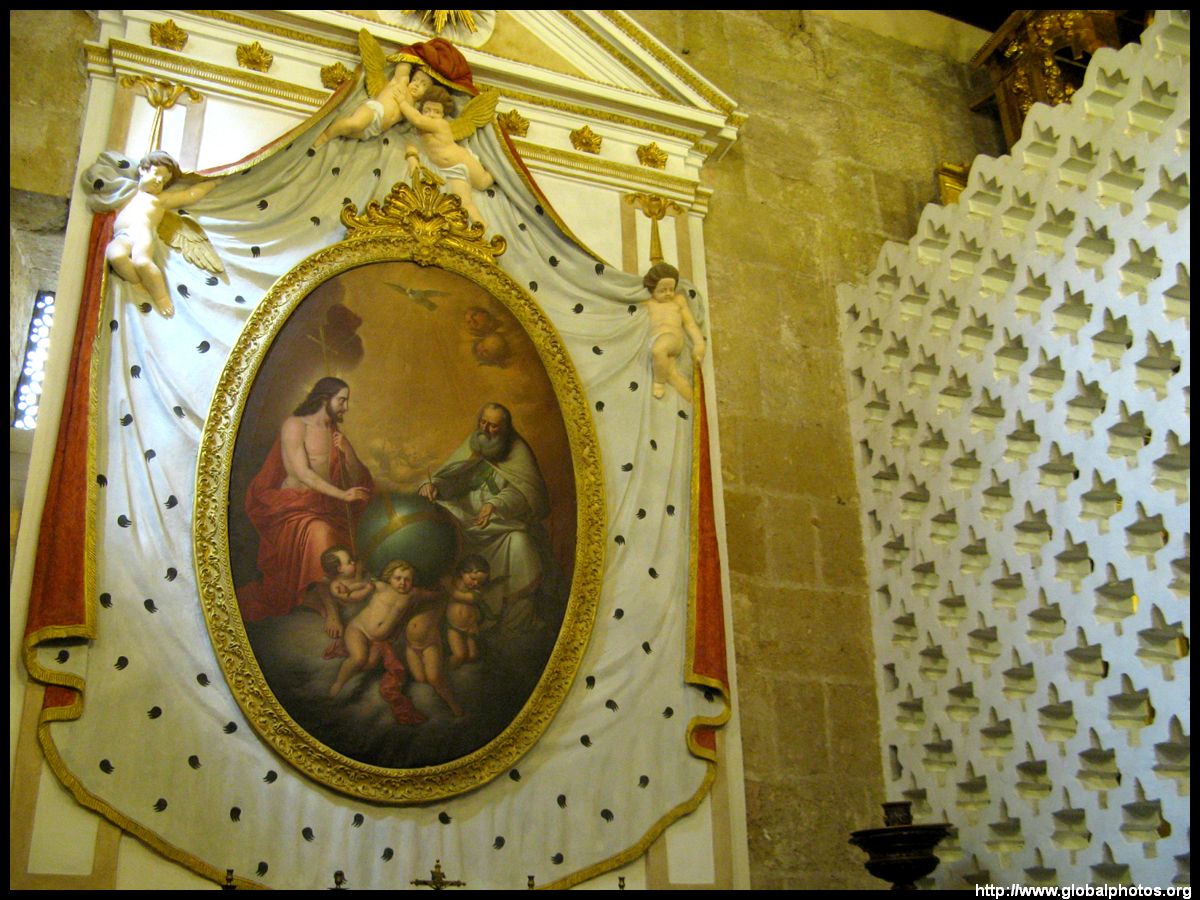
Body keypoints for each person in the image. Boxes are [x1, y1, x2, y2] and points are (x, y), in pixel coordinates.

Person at [238, 377, 373, 627]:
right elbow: (303, 473)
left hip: (326, 506)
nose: (346, 407)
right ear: (325, 399)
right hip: (294, 507)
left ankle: (323, 596)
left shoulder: (334, 431)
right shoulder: (295, 425)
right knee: (319, 532)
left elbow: (355, 477)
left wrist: (348, 452)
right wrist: (343, 495)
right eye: (342, 400)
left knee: (341, 537)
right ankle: (331, 609)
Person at [418, 403, 552, 628]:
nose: (486, 429)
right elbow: (454, 479)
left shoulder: (518, 452)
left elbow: (524, 494)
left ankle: (515, 620)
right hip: (464, 518)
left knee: (520, 543)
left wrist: (494, 504)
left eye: (493, 426)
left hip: (500, 523)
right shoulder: (474, 444)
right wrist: (435, 486)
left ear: (505, 428)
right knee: (435, 521)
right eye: (483, 422)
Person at [105, 150, 221, 318]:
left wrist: (214, 183)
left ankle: (161, 297)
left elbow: (189, 195)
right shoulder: (128, 192)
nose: (160, 180)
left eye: (165, 180)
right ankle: (138, 282)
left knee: (142, 262)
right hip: (122, 235)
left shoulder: (159, 199)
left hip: (141, 232)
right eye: (157, 173)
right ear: (142, 170)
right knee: (115, 255)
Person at [397, 80, 494, 227]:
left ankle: (500, 173)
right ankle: (480, 230)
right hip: (451, 171)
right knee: (463, 202)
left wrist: (401, 102)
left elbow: (416, 119)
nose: (431, 115)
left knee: (483, 182)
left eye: (436, 112)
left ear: (443, 115)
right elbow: (411, 141)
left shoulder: (439, 124)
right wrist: (412, 156)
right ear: (421, 110)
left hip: (463, 161)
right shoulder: (420, 130)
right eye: (427, 110)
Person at [329, 560, 419, 699]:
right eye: (398, 578)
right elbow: (362, 585)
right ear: (389, 578)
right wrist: (349, 589)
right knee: (359, 658)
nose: (402, 582)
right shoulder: (381, 586)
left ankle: (351, 676)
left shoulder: (412, 594)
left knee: (370, 663)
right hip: (359, 629)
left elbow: (431, 594)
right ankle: (338, 683)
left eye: (407, 579)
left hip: (379, 640)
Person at [313, 63, 433, 149]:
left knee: (348, 132)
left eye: (423, 84)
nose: (416, 84)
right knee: (355, 124)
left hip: (376, 129)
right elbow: (403, 69)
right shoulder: (401, 84)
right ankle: (325, 135)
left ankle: (332, 133)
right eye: (415, 80)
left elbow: (416, 119)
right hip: (375, 111)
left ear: (427, 93)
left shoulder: (413, 108)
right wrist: (413, 56)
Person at [642, 262, 706, 401]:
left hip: (673, 339)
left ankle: (659, 382)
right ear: (652, 289)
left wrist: (699, 344)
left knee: (659, 349)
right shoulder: (648, 303)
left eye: (671, 289)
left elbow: (690, 324)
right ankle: (694, 405)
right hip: (654, 340)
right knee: (671, 374)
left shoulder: (678, 301)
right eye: (662, 290)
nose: (668, 293)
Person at [404, 577, 464, 717]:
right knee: (420, 679)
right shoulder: (412, 594)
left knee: (434, 678)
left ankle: (454, 706)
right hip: (411, 646)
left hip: (429, 644)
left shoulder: (441, 594)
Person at [305, 545, 374, 640]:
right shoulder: (336, 585)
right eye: (349, 562)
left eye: (352, 560)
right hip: (351, 609)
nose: (353, 563)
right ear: (339, 569)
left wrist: (360, 579)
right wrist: (367, 590)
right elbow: (351, 597)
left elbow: (356, 584)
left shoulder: (354, 575)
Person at [443, 555, 490, 667]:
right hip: (454, 627)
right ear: (462, 572)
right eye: (473, 578)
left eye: (480, 581)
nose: (476, 583)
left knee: (473, 655)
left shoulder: (477, 592)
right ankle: (446, 668)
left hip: (470, 628)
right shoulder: (454, 582)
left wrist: (448, 587)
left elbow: (460, 596)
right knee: (459, 655)